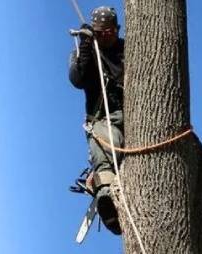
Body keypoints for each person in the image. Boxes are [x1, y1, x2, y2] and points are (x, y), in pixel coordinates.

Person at [69, 6, 124, 235]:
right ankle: (104, 192)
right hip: (103, 118)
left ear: (117, 29)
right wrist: (85, 44)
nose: (106, 36)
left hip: (127, 115)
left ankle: (99, 180)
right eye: (101, 32)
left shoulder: (127, 49)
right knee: (104, 143)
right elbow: (77, 79)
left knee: (115, 151)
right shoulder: (88, 53)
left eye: (110, 31)